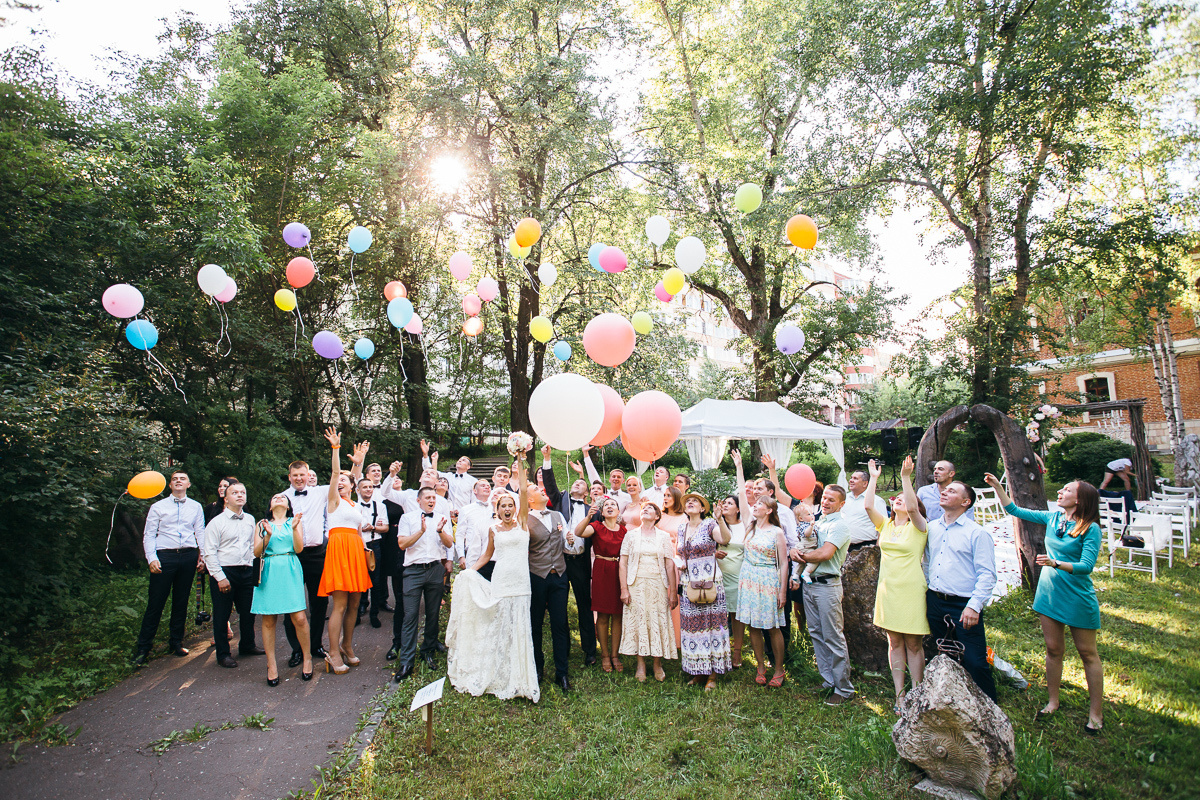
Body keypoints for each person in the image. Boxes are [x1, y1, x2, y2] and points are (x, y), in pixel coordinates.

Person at [985, 473, 1104, 732]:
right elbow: (1014, 510)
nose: (1060, 492)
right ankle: (1053, 701)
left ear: (1080, 499)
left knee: (1087, 653)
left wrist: (1056, 563)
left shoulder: (1090, 528)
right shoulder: (1053, 518)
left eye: (1067, 489)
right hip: (1049, 592)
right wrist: (997, 486)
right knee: (1053, 649)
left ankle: (1096, 713)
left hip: (1076, 595)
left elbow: (1086, 566)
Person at [445, 464, 539, 702]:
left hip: (521, 583)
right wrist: (468, 571)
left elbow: (526, 492)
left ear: (516, 508)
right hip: (501, 579)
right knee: (501, 625)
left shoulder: (523, 524)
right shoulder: (493, 529)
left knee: (520, 625)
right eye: (503, 506)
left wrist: (520, 459)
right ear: (496, 509)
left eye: (510, 505)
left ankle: (520, 677)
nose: (507, 508)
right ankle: (498, 673)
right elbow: (486, 556)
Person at [281, 449, 364, 668]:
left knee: (319, 605)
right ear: (290, 477)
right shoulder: (283, 497)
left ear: (309, 475)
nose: (299, 479)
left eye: (303, 475)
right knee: (294, 603)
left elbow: (341, 478)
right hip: (292, 555)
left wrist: (354, 461)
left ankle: (317, 645)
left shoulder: (320, 493)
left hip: (318, 553)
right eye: (295, 475)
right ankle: (297, 650)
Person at [863, 457, 928, 710]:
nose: (898, 499)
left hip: (911, 589)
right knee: (894, 642)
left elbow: (912, 509)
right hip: (888, 590)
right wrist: (874, 479)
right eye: (896, 497)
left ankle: (918, 692)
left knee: (913, 643)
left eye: (904, 497)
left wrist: (905, 478)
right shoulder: (886, 525)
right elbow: (868, 506)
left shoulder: (920, 527)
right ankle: (900, 694)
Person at [925, 480, 998, 702]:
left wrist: (974, 606)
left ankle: (988, 707)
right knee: (944, 653)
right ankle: (953, 701)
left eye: (952, 491)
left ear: (966, 502)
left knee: (975, 659)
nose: (944, 492)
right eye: (945, 490)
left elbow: (987, 574)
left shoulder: (976, 533)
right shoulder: (932, 528)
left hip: (964, 604)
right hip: (936, 600)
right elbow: (927, 560)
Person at [132, 470, 205, 667]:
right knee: (156, 602)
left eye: (182, 479)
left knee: (181, 601)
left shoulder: (196, 507)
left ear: (188, 484)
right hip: (165, 556)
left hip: (189, 555)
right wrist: (151, 558)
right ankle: (143, 648)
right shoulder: (158, 507)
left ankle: (176, 642)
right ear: (170, 485)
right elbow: (148, 534)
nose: (178, 481)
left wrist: (203, 556)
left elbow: (200, 532)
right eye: (175, 479)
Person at [316, 428, 373, 674]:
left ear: (352, 485)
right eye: (338, 481)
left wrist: (358, 464)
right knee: (339, 605)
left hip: (355, 549)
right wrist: (336, 449)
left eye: (344, 481)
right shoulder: (334, 500)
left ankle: (347, 646)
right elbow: (337, 472)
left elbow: (354, 475)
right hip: (339, 549)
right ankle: (333, 652)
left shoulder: (354, 502)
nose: (340, 482)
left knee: (354, 603)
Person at [731, 450, 788, 687]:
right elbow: (743, 500)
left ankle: (778, 668)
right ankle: (760, 667)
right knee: (753, 625)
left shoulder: (777, 532)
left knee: (772, 626)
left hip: (768, 578)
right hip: (748, 577)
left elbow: (783, 563)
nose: (755, 505)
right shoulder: (749, 526)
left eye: (760, 504)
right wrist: (739, 467)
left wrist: (783, 591)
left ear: (770, 510)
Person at [797, 483, 856, 705]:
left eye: (832, 500)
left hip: (828, 586)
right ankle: (828, 681)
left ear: (841, 504)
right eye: (825, 498)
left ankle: (844, 688)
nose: (826, 502)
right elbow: (805, 543)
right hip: (810, 584)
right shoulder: (818, 522)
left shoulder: (839, 526)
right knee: (816, 632)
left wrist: (799, 556)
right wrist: (796, 550)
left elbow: (824, 553)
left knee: (832, 636)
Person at [524, 448, 577, 693]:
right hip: (536, 578)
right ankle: (537, 668)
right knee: (535, 625)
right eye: (536, 489)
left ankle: (562, 673)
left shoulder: (557, 514)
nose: (541, 490)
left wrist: (569, 539)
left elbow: (569, 545)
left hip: (559, 577)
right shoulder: (524, 519)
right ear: (528, 499)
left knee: (560, 624)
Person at [544, 451, 599, 666]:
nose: (576, 484)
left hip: (581, 562)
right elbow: (549, 485)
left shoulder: (591, 510)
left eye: (580, 483)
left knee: (585, 605)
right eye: (574, 482)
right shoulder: (560, 501)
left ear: (586, 491)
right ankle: (563, 647)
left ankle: (589, 650)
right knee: (560, 606)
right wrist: (547, 459)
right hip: (560, 561)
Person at [394, 485, 455, 681]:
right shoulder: (407, 518)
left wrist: (439, 531)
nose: (431, 500)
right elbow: (402, 544)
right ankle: (406, 661)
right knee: (410, 615)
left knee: (433, 613)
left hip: (435, 569)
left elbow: (449, 543)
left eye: (433, 498)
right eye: (427, 497)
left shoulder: (440, 518)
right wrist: (421, 531)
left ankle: (427, 650)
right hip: (413, 571)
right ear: (418, 500)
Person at [252, 494, 313, 684]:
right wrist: (268, 536)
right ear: (270, 505)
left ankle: (307, 657)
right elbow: (256, 552)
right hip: (269, 569)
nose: (278, 498)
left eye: (282, 497)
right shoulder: (261, 524)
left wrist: (294, 529)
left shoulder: (294, 522)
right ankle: (272, 664)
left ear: (288, 505)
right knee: (269, 618)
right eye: (274, 497)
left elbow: (299, 548)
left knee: (299, 618)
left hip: (289, 567)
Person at [202, 481, 262, 668]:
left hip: (246, 570)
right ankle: (223, 654)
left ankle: (247, 645)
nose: (239, 495)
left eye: (242, 492)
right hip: (225, 571)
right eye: (235, 492)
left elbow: (253, 546)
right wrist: (220, 577)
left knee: (248, 612)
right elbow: (209, 552)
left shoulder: (250, 519)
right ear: (226, 499)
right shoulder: (216, 522)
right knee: (222, 614)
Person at [677, 492, 732, 690]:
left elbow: (724, 539)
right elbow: (680, 552)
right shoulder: (681, 528)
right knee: (693, 628)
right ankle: (698, 671)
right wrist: (681, 563)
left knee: (711, 627)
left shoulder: (710, 524)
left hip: (709, 581)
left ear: (702, 508)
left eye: (695, 502)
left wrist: (720, 519)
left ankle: (713, 675)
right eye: (687, 502)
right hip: (689, 582)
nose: (690, 503)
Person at [619, 502, 678, 682]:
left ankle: (657, 663)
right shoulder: (630, 535)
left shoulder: (664, 536)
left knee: (657, 620)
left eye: (650, 509)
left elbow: (669, 564)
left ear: (657, 516)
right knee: (639, 621)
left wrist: (673, 591)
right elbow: (623, 563)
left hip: (658, 584)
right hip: (635, 584)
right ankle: (640, 664)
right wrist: (624, 589)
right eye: (643, 508)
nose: (645, 510)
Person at [575, 497, 626, 672]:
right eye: (606, 505)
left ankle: (615, 655)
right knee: (603, 615)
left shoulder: (624, 531)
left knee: (618, 615)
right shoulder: (596, 526)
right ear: (601, 512)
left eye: (614, 504)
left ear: (619, 512)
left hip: (619, 571)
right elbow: (578, 532)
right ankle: (604, 655)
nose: (610, 507)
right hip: (602, 570)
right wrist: (589, 517)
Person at [714, 495, 747, 667]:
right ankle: (721, 648)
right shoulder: (715, 523)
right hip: (717, 575)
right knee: (718, 613)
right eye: (724, 502)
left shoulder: (744, 526)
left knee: (736, 614)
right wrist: (714, 553)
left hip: (737, 576)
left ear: (738, 509)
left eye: (730, 503)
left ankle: (737, 652)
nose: (725, 505)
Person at [356, 478, 389, 628]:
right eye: (365, 487)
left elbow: (385, 528)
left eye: (370, 487)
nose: (368, 489)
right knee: (358, 581)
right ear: (358, 490)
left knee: (375, 581)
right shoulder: (354, 506)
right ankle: (357, 613)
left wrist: (373, 528)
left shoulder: (380, 506)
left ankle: (374, 614)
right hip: (357, 546)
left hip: (374, 545)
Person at [658, 485, 687, 648]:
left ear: (676, 498)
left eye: (669, 495)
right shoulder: (660, 516)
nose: (666, 498)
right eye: (664, 495)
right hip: (658, 559)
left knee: (673, 597)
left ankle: (675, 638)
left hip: (674, 559)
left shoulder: (684, 518)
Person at [457, 479, 498, 578]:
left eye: (488, 486)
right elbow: (460, 534)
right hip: (473, 553)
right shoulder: (466, 510)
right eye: (483, 486)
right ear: (475, 491)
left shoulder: (496, 508)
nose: (487, 487)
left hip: (494, 554)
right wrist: (461, 556)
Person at [420, 439, 477, 510]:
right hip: (447, 512)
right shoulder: (448, 477)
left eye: (463, 460)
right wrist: (425, 455)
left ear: (468, 467)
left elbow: (474, 501)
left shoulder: (473, 481)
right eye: (459, 459)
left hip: (464, 514)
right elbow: (431, 472)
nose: (460, 461)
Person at [842, 469, 888, 549]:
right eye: (851, 478)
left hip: (866, 547)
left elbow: (883, 526)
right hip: (844, 546)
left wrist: (878, 548)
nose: (851, 480)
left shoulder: (876, 501)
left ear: (865, 483)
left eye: (855, 478)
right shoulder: (844, 498)